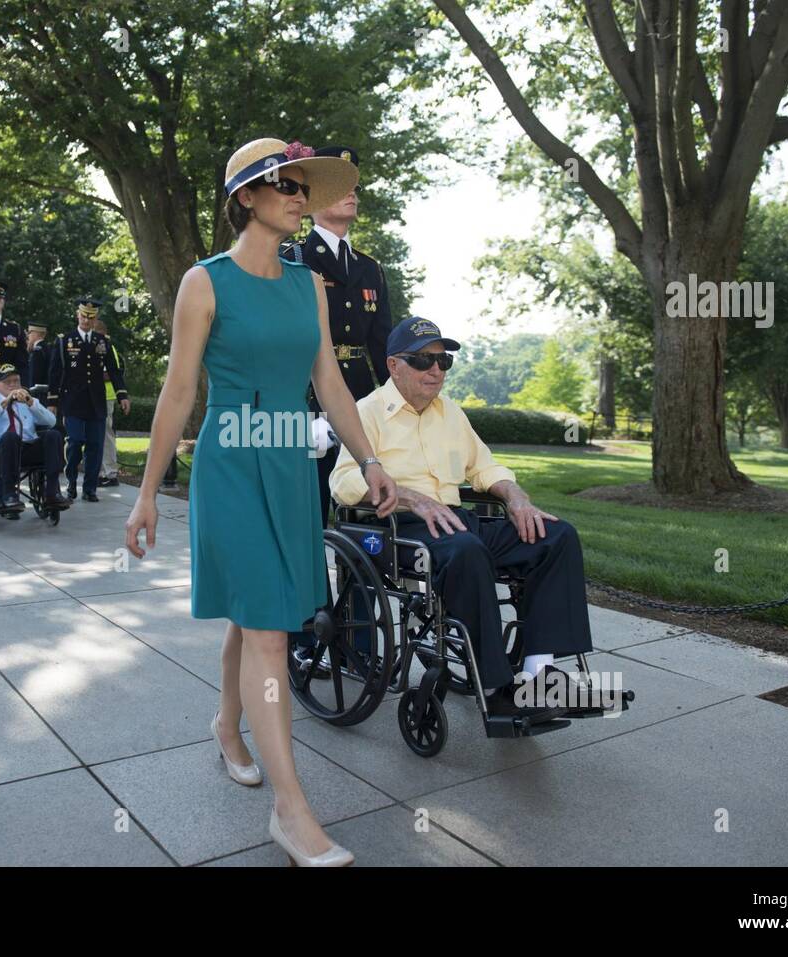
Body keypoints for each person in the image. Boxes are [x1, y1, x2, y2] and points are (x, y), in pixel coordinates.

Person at [125, 138, 398, 867]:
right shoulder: (202, 282)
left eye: (302, 184)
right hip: (231, 466)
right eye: (281, 182)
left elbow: (331, 386)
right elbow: (180, 392)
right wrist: (148, 493)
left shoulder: (308, 283)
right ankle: (292, 809)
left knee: (262, 616)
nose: (297, 193)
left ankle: (226, 723)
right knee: (271, 628)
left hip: (287, 463)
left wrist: (368, 456)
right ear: (245, 197)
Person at [329, 317, 595, 716]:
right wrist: (410, 498)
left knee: (555, 536)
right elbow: (343, 481)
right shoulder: (366, 413)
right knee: (466, 551)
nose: (435, 370)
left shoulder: (450, 413)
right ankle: (497, 687)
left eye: (443, 361)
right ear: (393, 365)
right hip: (399, 526)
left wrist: (517, 497)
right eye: (422, 360)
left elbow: (485, 469)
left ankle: (539, 672)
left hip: (453, 520)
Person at [281, 145, 393, 522]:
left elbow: (383, 347)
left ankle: (356, 583)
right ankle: (313, 583)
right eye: (340, 186)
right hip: (309, 400)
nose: (352, 193)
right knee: (310, 509)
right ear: (312, 202)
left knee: (364, 509)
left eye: (354, 186)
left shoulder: (370, 268)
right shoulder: (293, 259)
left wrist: (393, 405)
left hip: (360, 401)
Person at [49, 296, 128, 502]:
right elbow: (55, 373)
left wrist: (122, 395)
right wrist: (53, 402)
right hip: (73, 402)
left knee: (95, 445)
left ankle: (90, 488)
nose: (86, 320)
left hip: (96, 403)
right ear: (78, 315)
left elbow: (114, 370)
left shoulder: (103, 342)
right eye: (84, 316)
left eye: (91, 317)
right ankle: (72, 482)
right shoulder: (64, 341)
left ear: (96, 318)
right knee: (75, 442)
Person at [0, 364, 70, 517]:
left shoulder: (29, 400)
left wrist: (31, 403)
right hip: (1, 451)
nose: (13, 385)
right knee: (10, 437)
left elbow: (51, 421)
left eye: (16, 381)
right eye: (7, 382)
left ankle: (52, 493)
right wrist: (4, 403)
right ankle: (9, 496)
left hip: (28, 447)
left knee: (53, 435)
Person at [92, 317, 126, 487]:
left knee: (105, 435)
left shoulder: (107, 347)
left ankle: (110, 473)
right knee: (97, 435)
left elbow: (111, 373)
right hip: (95, 396)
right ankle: (99, 471)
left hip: (106, 396)